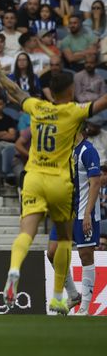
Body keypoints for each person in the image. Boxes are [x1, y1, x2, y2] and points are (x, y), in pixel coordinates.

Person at [0, 54, 107, 313]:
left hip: (33, 178)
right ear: (70, 91)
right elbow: (100, 103)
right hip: (59, 183)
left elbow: (16, 92)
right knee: (64, 241)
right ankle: (57, 296)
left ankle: (14, 269)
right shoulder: (73, 111)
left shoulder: (36, 106)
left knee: (26, 233)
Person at [46, 126, 101, 315]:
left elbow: (95, 183)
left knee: (86, 256)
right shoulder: (65, 151)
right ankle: (73, 295)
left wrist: (87, 213)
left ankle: (85, 307)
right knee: (52, 253)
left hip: (84, 212)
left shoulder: (88, 150)